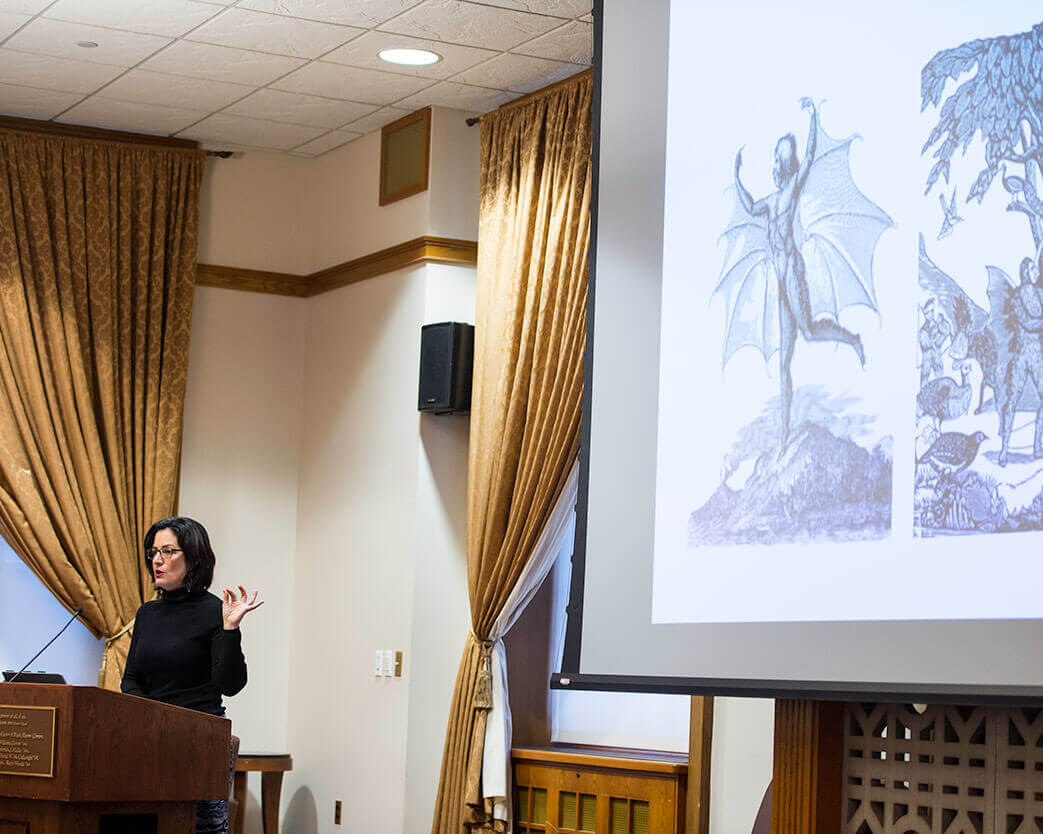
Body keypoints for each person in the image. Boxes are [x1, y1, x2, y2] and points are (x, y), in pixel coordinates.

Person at [121, 517, 264, 834]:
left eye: (168, 551)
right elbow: (131, 681)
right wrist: (147, 722)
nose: (157, 560)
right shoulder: (147, 614)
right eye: (153, 551)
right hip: (147, 742)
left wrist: (230, 630)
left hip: (198, 744)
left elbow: (231, 685)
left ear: (194, 557)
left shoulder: (216, 611)